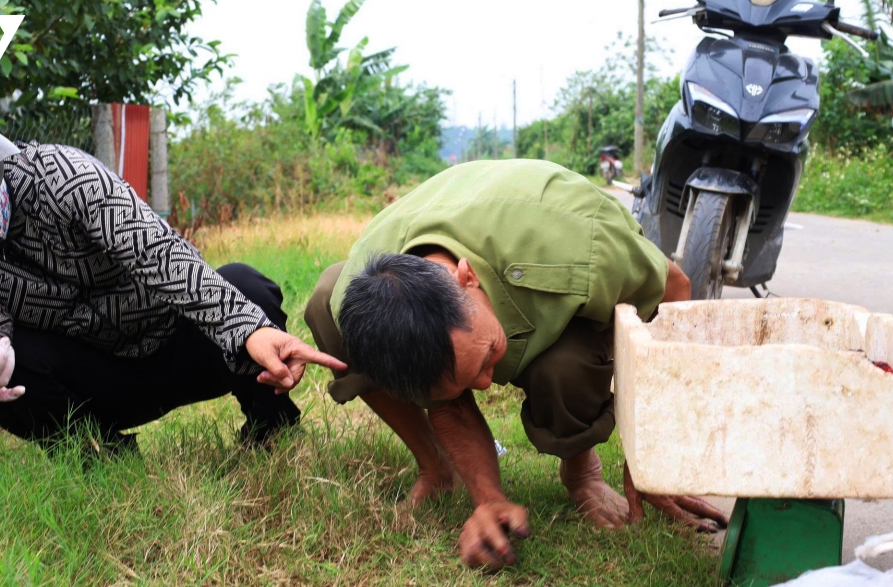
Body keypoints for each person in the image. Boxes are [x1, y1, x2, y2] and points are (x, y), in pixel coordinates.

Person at [0, 100, 344, 451]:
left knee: (246, 287)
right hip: (98, 387)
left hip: (175, 341)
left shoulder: (59, 174)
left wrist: (248, 330)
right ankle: (99, 456)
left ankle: (269, 427)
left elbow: (158, 251)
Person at [304, 159, 728, 568]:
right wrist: (489, 498)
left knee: (564, 367)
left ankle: (581, 473)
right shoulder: (360, 302)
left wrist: (655, 456)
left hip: (544, 258)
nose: (488, 387)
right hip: (454, 236)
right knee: (324, 301)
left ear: (467, 278)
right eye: (469, 382)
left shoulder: (581, 247)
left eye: (487, 357)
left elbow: (675, 289)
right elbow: (446, 401)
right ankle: (436, 466)